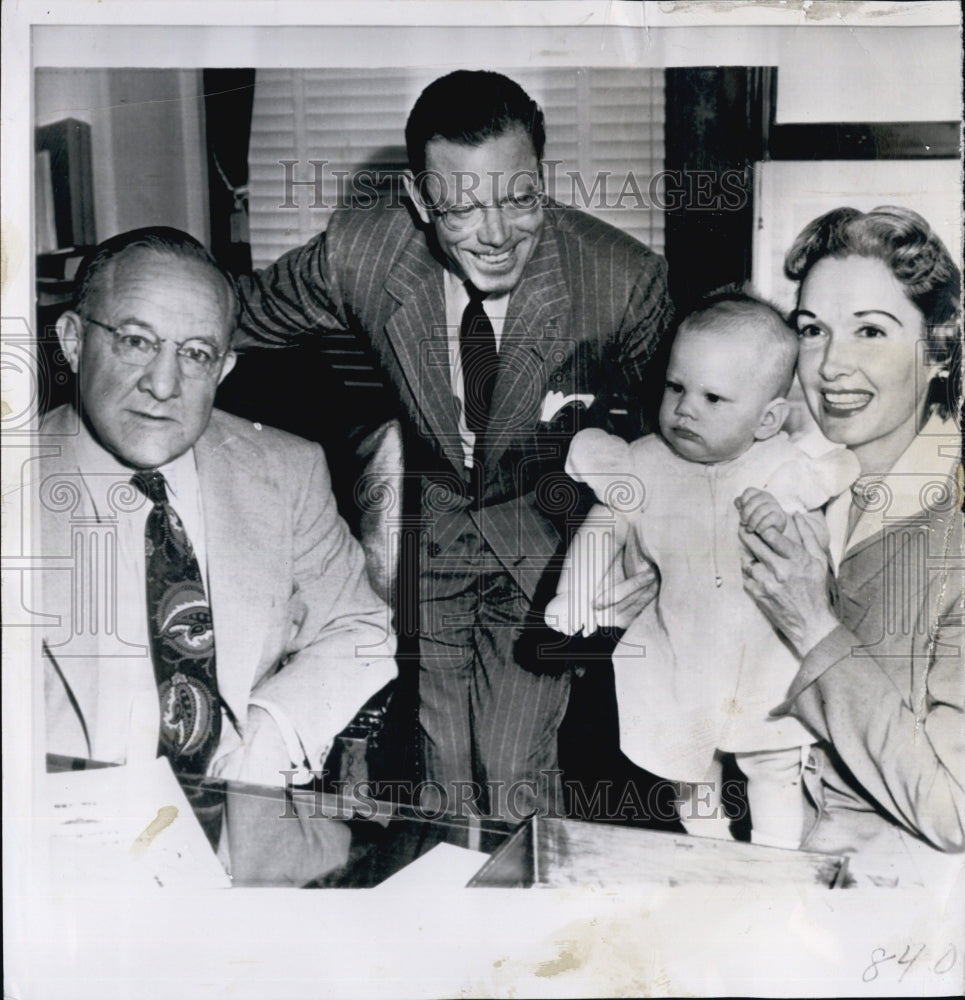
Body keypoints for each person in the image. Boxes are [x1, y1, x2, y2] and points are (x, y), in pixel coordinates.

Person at [233, 70, 672, 818]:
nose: (495, 235)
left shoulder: (621, 280)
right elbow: (233, 317)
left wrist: (652, 550)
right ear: (416, 200)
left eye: (518, 198)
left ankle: (524, 925)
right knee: (438, 766)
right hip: (432, 525)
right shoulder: (360, 254)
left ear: (543, 177)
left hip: (548, 533)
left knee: (510, 772)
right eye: (460, 208)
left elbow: (687, 430)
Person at [40, 228, 396, 838]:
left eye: (196, 353)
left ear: (224, 367)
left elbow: (358, 628)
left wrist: (271, 731)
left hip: (241, 844)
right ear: (73, 341)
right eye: (134, 341)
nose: (163, 383)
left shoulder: (287, 469)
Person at [545, 295, 859, 847]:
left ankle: (776, 859)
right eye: (676, 388)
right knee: (686, 766)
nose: (686, 409)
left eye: (714, 398)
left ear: (766, 419)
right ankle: (707, 845)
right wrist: (574, 596)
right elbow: (603, 528)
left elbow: (817, 558)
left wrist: (779, 523)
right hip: (678, 649)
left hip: (765, 654)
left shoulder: (782, 466)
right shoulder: (641, 461)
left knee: (773, 767)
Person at [737, 206, 963, 885]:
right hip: (777, 865)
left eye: (870, 331)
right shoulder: (789, 477)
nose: (831, 365)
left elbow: (953, 810)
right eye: (812, 331)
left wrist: (813, 626)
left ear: (938, 352)